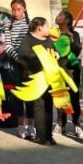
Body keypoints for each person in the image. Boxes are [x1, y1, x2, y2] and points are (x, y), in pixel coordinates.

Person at [16, 17, 59, 145]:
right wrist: (37, 59)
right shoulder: (27, 40)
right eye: (47, 26)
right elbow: (22, 57)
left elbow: (54, 50)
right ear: (39, 27)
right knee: (39, 107)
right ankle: (41, 136)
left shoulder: (48, 39)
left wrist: (57, 54)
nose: (49, 29)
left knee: (48, 106)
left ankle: (48, 135)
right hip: (35, 78)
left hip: (49, 78)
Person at [0, 0, 30, 138]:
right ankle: (20, 125)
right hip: (16, 64)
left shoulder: (30, 24)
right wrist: (19, 59)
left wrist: (28, 60)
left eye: (19, 9)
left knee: (31, 95)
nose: (16, 12)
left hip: (31, 63)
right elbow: (7, 45)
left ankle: (31, 124)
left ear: (24, 9)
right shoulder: (8, 24)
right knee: (18, 95)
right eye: (13, 9)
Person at [54, 10, 83, 141]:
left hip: (71, 69)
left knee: (73, 98)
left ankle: (77, 124)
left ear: (67, 20)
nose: (57, 17)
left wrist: (72, 39)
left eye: (60, 16)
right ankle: (60, 124)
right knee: (60, 96)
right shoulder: (54, 34)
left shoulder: (75, 34)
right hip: (58, 68)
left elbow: (77, 50)